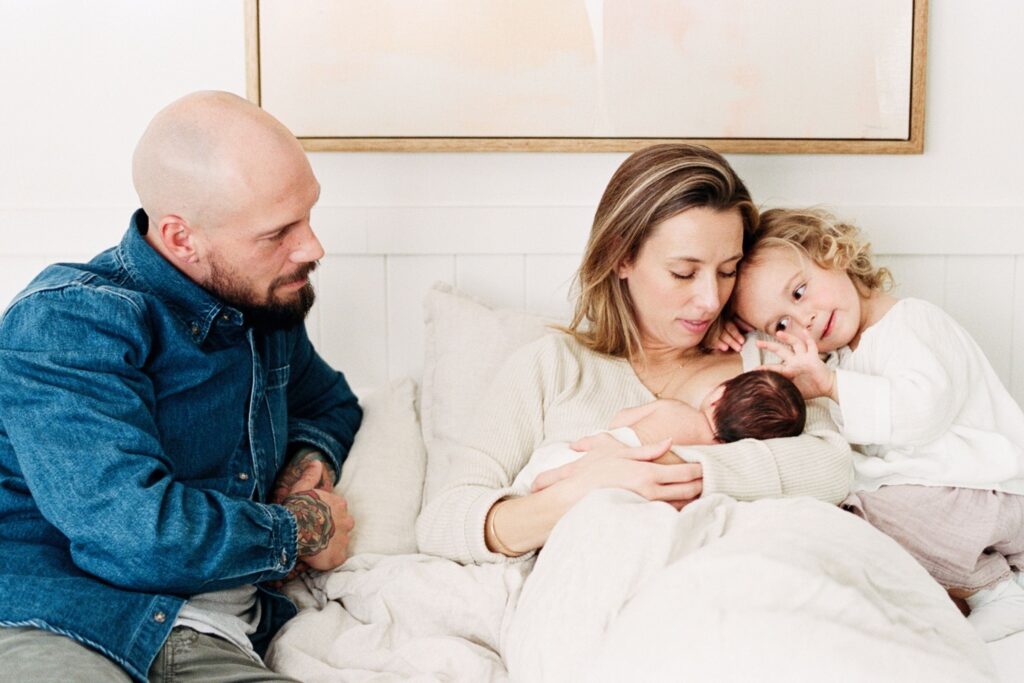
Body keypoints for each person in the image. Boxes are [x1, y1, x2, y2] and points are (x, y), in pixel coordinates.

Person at [0, 91, 363, 681]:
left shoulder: (261, 306)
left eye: (309, 214)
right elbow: (136, 535)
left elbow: (329, 403)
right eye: (278, 232)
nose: (312, 247)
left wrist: (306, 463)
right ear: (181, 237)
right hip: (63, 621)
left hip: (213, 639)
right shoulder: (68, 324)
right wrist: (297, 529)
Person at [416, 143, 852, 564]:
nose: (709, 299)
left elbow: (832, 467)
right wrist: (581, 493)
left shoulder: (769, 356)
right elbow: (443, 521)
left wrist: (666, 465)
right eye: (684, 273)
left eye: (727, 271)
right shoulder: (552, 367)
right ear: (621, 257)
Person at [729, 207, 1024, 642]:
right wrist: (731, 337)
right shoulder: (844, 356)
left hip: (994, 493)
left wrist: (831, 384)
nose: (804, 318)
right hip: (957, 502)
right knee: (840, 502)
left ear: (832, 253)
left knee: (863, 507)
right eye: (782, 324)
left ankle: (996, 591)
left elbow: (921, 412)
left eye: (800, 291)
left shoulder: (910, 322)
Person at [512, 369, 806, 494]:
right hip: (617, 481)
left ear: (718, 394)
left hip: (591, 451)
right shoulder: (715, 455)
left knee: (540, 473)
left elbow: (620, 420)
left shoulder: (675, 409)